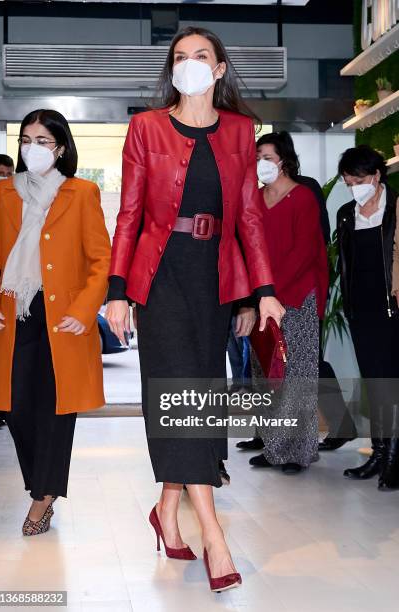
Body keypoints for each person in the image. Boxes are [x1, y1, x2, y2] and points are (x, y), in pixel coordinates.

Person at [105, 27, 284, 592]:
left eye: (199, 57)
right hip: (160, 278)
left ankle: (166, 508)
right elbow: (129, 214)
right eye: (179, 58)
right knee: (181, 391)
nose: (189, 66)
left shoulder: (239, 132)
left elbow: (250, 218)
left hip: (215, 280)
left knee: (201, 395)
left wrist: (263, 289)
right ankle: (212, 533)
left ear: (221, 67)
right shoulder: (146, 128)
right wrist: (116, 290)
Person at [0, 109, 111, 534]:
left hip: (63, 317)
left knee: (58, 408)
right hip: (14, 311)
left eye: (42, 141)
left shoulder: (82, 192)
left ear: (60, 147)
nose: (32, 148)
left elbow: (100, 260)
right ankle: (39, 486)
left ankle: (43, 498)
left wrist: (84, 311)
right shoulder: (6, 193)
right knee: (17, 406)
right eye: (26, 139)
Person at [248, 131, 329, 473]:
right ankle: (273, 445)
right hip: (262, 300)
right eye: (256, 158)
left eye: (265, 157)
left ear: (283, 160)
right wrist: (258, 294)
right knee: (266, 373)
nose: (260, 164)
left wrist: (272, 291)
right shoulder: (252, 199)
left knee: (298, 374)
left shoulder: (303, 197)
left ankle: (298, 450)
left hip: (296, 297)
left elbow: (305, 251)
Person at [337, 145, 399, 490]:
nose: (354, 187)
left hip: (391, 308)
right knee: (375, 383)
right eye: (348, 181)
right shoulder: (348, 213)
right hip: (361, 308)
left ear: (376, 176)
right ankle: (378, 453)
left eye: (358, 179)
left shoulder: (396, 207)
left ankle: (393, 459)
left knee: (390, 383)